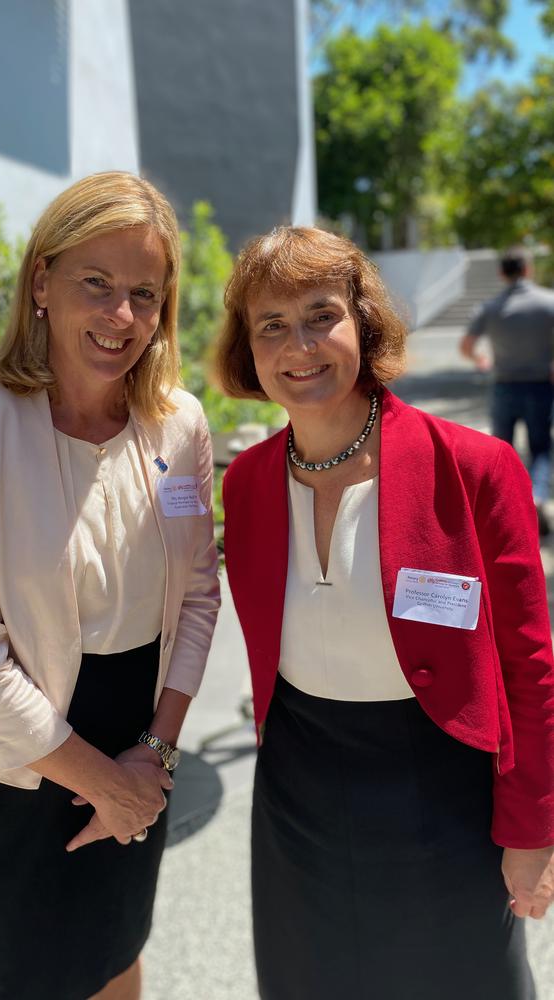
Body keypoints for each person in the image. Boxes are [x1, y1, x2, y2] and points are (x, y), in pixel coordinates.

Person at [0, 171, 220, 1000]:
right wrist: (106, 784)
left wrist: (153, 754)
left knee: (117, 957)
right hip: (8, 765)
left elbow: (196, 595)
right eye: (97, 284)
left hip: (139, 743)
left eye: (144, 294)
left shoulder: (179, 422)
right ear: (41, 282)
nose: (122, 317)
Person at [216, 226, 554, 1000]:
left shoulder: (475, 468)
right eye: (272, 325)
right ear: (249, 348)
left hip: (444, 788)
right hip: (300, 788)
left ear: (363, 325)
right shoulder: (248, 484)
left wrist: (533, 828)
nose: (298, 345)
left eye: (319, 314)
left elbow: (529, 667)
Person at [459, 249, 554, 536]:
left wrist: (481, 360)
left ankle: (507, 511)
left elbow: (466, 345)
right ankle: (537, 496)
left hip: (504, 385)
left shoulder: (491, 307)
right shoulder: (548, 302)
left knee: (502, 451)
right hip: (540, 385)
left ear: (502, 273)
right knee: (540, 448)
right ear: (528, 270)